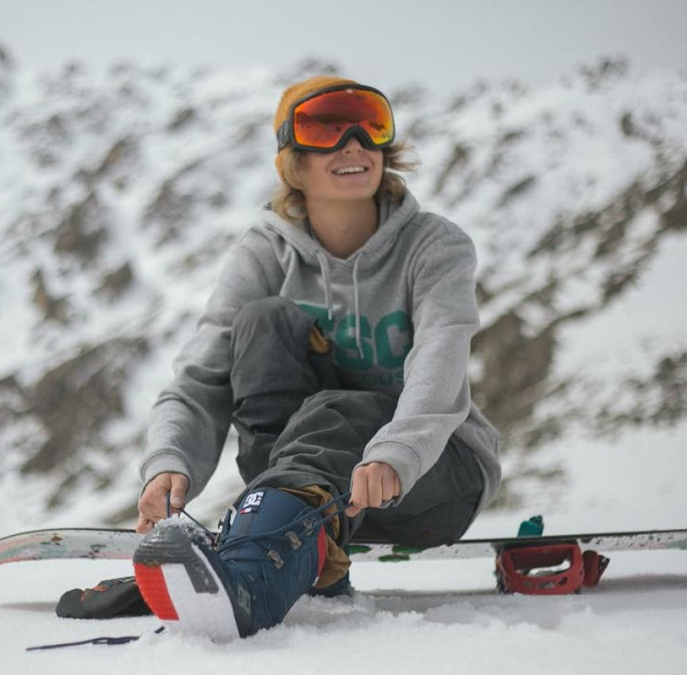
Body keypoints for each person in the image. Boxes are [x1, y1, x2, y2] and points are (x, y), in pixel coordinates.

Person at [130, 76, 502, 640]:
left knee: (341, 408)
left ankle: (256, 577)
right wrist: (169, 460)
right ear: (293, 162)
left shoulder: (434, 246)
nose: (353, 144)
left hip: (430, 475)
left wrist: (395, 453)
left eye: (369, 125)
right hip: (318, 495)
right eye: (326, 128)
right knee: (263, 321)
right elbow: (202, 375)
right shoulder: (265, 252)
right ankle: (279, 540)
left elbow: (440, 364)